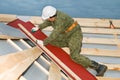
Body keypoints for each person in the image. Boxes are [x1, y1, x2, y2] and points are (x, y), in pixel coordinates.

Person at [31, 5, 107, 76]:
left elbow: (55, 34)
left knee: (74, 56)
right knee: (51, 42)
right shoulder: (54, 16)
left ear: (52, 17)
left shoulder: (61, 20)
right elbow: (48, 22)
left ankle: (98, 67)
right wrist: (39, 27)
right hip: (66, 34)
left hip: (75, 34)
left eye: (48, 18)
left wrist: (43, 43)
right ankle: (72, 45)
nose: (48, 20)